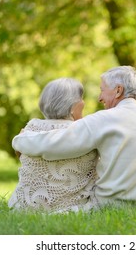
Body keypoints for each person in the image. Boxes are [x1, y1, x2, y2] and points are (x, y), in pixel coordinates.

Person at [12, 66, 136, 208]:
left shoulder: (102, 120)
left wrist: (20, 139)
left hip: (117, 204)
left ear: (118, 90)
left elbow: (55, 143)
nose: (100, 98)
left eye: (102, 90)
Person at [8, 78, 99, 213]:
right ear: (74, 106)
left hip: (23, 206)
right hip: (69, 207)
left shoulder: (31, 127)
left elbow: (21, 155)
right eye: (81, 98)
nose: (83, 102)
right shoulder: (84, 132)